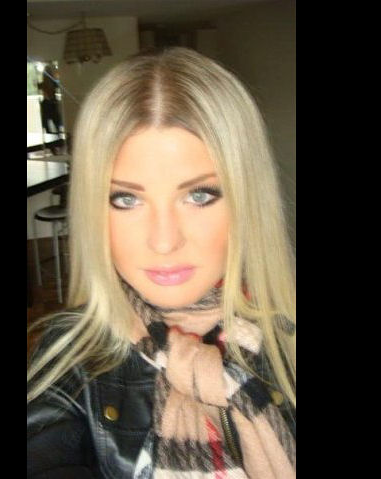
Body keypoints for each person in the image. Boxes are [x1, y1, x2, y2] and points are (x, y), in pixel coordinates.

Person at [27, 47, 296, 479]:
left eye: (199, 195)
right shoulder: (69, 360)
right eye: (125, 199)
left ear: (247, 200)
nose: (164, 241)